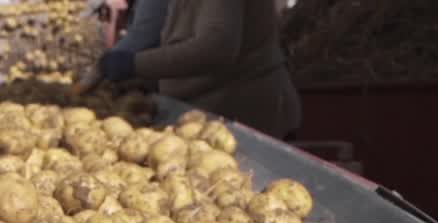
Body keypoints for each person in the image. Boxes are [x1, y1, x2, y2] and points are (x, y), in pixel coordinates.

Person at [94, 0, 301, 138]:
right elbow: (181, 39)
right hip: (212, 111)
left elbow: (216, 46)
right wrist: (144, 78)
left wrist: (136, 64)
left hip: (243, 114)